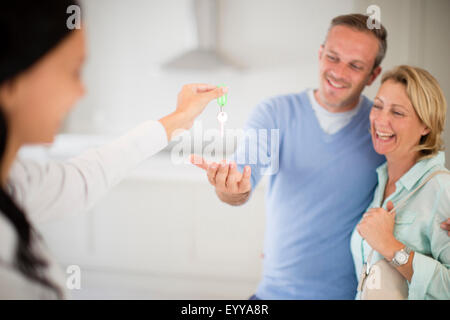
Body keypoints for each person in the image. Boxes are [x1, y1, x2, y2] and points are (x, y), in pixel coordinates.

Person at [191, 14, 450, 299]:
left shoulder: (381, 132)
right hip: (272, 294)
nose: (339, 72)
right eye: (333, 57)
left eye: (355, 65)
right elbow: (242, 178)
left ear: (372, 75)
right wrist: (231, 189)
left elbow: (425, 173)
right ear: (320, 53)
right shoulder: (274, 113)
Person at [0, 1, 226, 299]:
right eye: (74, 71)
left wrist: (178, 119)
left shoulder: (16, 180)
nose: (82, 91)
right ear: (12, 82)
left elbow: (84, 178)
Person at [352, 65, 450, 299]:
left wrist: (391, 247)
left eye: (397, 112)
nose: (381, 120)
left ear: (426, 125)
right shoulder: (380, 182)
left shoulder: (441, 189)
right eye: (377, 106)